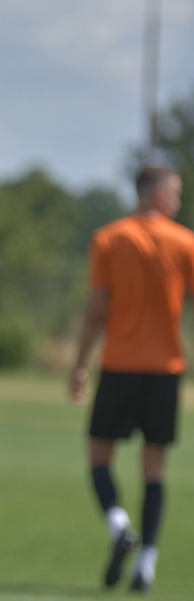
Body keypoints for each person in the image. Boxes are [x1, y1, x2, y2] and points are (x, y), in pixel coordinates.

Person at [69, 164, 194, 592]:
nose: (177, 201)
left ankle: (120, 525)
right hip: (165, 372)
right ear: (155, 194)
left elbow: (95, 310)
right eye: (174, 193)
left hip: (119, 365)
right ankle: (146, 563)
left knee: (99, 458)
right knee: (154, 470)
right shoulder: (185, 243)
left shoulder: (109, 238)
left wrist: (79, 364)